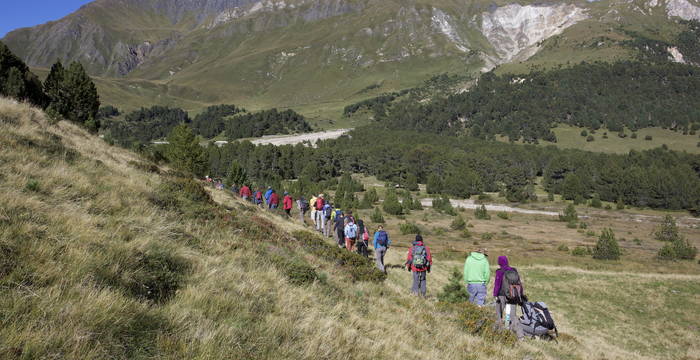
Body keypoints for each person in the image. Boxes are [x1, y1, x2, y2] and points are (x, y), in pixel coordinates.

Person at [493, 256, 524, 333]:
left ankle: (499, 332)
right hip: (513, 295)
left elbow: (497, 285)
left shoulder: (499, 271)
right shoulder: (514, 270)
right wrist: (520, 294)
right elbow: (519, 283)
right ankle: (519, 334)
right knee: (512, 316)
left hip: (502, 295)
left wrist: (495, 295)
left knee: (499, 314)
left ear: (499, 262)